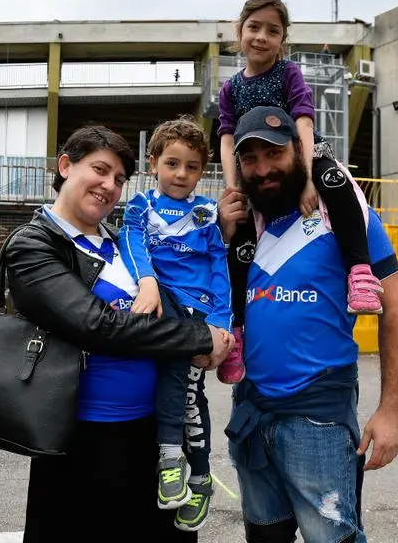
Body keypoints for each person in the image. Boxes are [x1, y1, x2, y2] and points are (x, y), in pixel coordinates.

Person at [3, 126, 232, 541]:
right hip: (83, 444)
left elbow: (192, 273)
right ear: (66, 166)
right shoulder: (34, 245)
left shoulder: (122, 241)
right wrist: (199, 339)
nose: (110, 185)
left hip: (152, 433)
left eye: (120, 179)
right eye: (100, 170)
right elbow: (97, 326)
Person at [218, 106, 398, 542]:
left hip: (318, 419)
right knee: (265, 535)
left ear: (299, 152)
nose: (263, 169)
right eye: (250, 158)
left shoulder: (345, 220)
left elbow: (395, 311)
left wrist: (390, 410)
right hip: (251, 411)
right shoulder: (245, 227)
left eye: (274, 153)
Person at [216, 0, 384, 384]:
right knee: (240, 236)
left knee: (336, 181)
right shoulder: (231, 89)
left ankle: (359, 270)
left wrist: (309, 177)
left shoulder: (288, 73)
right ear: (240, 30)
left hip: (304, 157)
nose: (261, 37)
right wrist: (231, 187)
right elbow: (226, 139)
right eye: (254, 27)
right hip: (256, 167)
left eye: (272, 31)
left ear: (283, 39)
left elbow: (304, 123)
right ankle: (237, 330)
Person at [119, 117, 231, 531]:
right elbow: (130, 242)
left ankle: (197, 479)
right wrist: (147, 282)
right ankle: (171, 459)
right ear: (153, 164)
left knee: (187, 392)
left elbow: (219, 266)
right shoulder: (141, 206)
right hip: (161, 302)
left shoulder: (206, 214)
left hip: (199, 314)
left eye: (192, 167)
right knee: (169, 379)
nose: (181, 174)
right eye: (172, 163)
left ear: (203, 171)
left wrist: (221, 322)